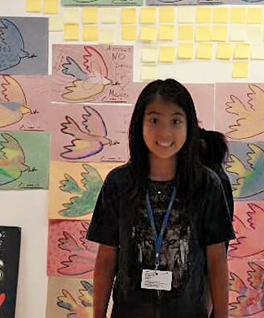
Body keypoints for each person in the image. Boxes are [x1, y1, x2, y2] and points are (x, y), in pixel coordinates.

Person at [87, 78, 236, 318]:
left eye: (176, 121)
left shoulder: (207, 185)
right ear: (139, 123)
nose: (165, 132)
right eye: (154, 120)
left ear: (189, 125)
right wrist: (98, 315)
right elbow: (106, 256)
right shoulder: (118, 183)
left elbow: (217, 259)